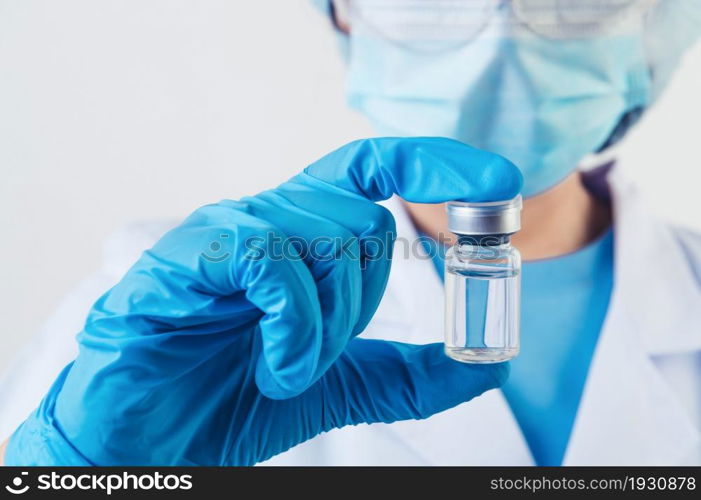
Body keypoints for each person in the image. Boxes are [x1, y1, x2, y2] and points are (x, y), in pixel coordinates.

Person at [2, 0, 701, 466]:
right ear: (344, 15)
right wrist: (86, 470)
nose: (498, 46)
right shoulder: (176, 304)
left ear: (656, 28)